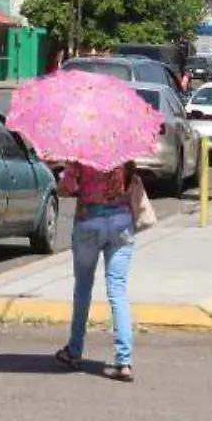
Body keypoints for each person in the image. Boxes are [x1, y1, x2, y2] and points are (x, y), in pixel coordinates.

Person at [53, 160, 140, 382]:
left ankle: (74, 350)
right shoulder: (124, 150)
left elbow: (66, 188)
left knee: (83, 287)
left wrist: (68, 176)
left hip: (90, 220)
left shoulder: (81, 152)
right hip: (121, 221)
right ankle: (124, 361)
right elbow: (132, 184)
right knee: (118, 290)